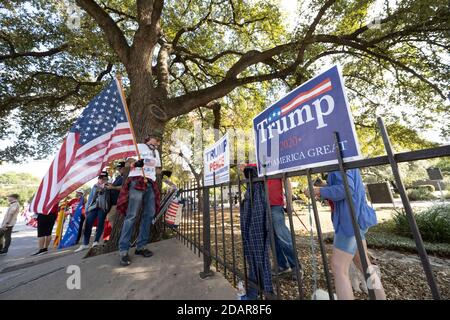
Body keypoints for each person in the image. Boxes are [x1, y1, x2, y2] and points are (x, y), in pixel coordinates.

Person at [304, 168, 386, 300]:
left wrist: (318, 190)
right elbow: (347, 186)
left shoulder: (336, 157)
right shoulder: (345, 155)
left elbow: (347, 189)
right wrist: (325, 187)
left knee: (338, 267)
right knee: (365, 266)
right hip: (358, 219)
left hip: (349, 222)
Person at [239, 163, 299, 277]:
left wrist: (290, 203)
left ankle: (296, 266)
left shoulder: (277, 162)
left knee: (282, 236)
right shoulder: (256, 164)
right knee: (271, 238)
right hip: (260, 205)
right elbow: (246, 175)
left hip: (275, 205)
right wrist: (242, 168)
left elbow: (287, 181)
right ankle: (282, 265)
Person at [116, 132, 162, 266]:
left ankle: (141, 247)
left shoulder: (156, 153)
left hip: (151, 184)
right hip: (137, 181)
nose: (157, 142)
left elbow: (157, 169)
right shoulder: (138, 147)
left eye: (159, 141)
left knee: (149, 215)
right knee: (131, 215)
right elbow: (128, 162)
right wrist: (136, 163)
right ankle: (123, 251)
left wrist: (162, 171)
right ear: (148, 138)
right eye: (156, 139)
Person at [75, 171, 111, 252]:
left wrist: (108, 210)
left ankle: (96, 241)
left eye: (104, 178)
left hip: (102, 207)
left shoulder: (109, 186)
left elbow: (109, 199)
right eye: (101, 178)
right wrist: (87, 209)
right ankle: (85, 244)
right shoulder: (94, 186)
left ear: (106, 179)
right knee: (88, 224)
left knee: (100, 224)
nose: (102, 180)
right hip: (92, 207)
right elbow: (90, 198)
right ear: (98, 178)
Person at [102, 161, 126, 241]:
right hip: (113, 202)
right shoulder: (119, 177)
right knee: (111, 218)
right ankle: (119, 235)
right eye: (118, 168)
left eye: (120, 168)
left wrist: (113, 188)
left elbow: (124, 187)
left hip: (120, 202)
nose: (119, 170)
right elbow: (114, 185)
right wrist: (109, 185)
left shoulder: (127, 176)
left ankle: (121, 235)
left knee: (111, 217)